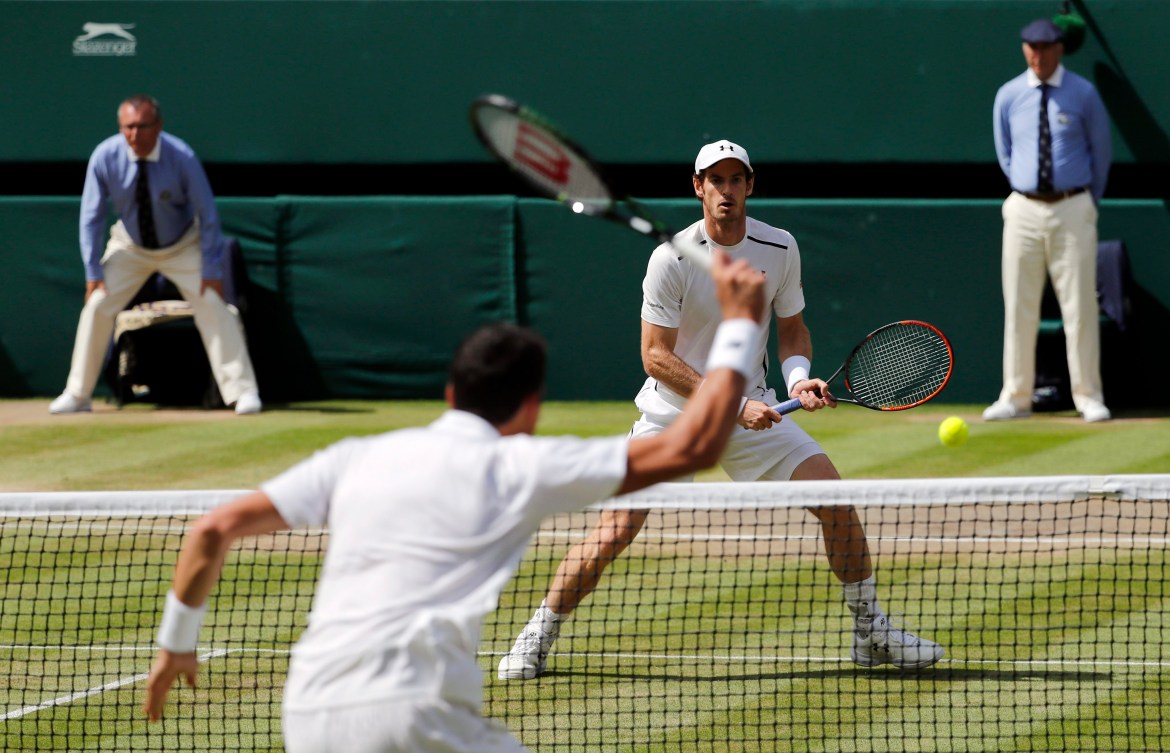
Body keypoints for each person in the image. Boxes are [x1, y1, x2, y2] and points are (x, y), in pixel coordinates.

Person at [142, 250, 766, 752]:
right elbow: (692, 448)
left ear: (449, 391)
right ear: (530, 407)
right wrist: (738, 326)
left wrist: (176, 642)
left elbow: (212, 531)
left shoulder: (355, 456)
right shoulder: (523, 467)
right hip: (420, 718)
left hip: (309, 714)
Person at [497, 140, 944, 681]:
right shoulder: (670, 258)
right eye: (716, 180)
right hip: (674, 415)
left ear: (749, 186)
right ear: (698, 187)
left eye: (736, 179)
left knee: (835, 500)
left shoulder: (780, 247)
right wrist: (735, 405)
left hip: (750, 406)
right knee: (618, 526)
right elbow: (656, 356)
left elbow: (792, 330)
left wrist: (799, 380)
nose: (726, 189)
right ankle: (536, 635)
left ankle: (870, 631)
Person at [49, 94, 262, 416]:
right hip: (129, 245)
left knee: (214, 304)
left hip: (181, 245)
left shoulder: (182, 156)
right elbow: (91, 216)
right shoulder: (105, 156)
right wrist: (93, 272)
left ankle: (242, 392)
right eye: (128, 127)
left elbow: (207, 215)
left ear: (158, 126)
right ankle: (78, 394)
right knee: (97, 305)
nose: (134, 135)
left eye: (142, 126)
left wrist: (212, 269)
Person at [983, 18, 1113, 423]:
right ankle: (1015, 396)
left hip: (1072, 206)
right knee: (1018, 305)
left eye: (1045, 47)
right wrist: (1026, 191)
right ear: (1025, 49)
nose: (1038, 55)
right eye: (1031, 47)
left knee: (1080, 307)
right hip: (1023, 207)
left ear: (1059, 49)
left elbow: (1101, 153)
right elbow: (1005, 153)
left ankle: (1088, 396)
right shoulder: (1008, 96)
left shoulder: (1084, 94)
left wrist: (1083, 201)